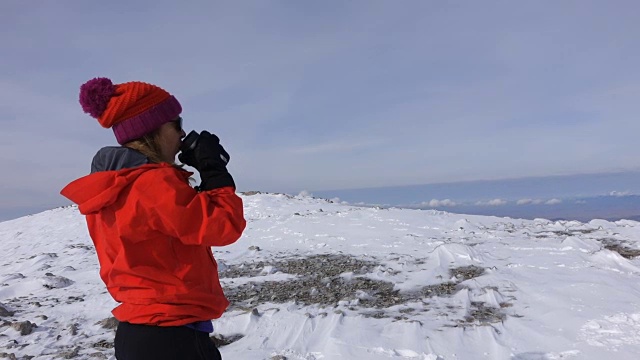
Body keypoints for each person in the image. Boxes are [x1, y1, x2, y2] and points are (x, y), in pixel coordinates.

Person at [60, 77, 246, 360]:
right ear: (153, 130)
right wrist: (214, 170)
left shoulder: (113, 186)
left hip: (138, 334)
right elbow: (224, 226)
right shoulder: (152, 184)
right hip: (173, 337)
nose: (183, 134)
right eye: (177, 124)